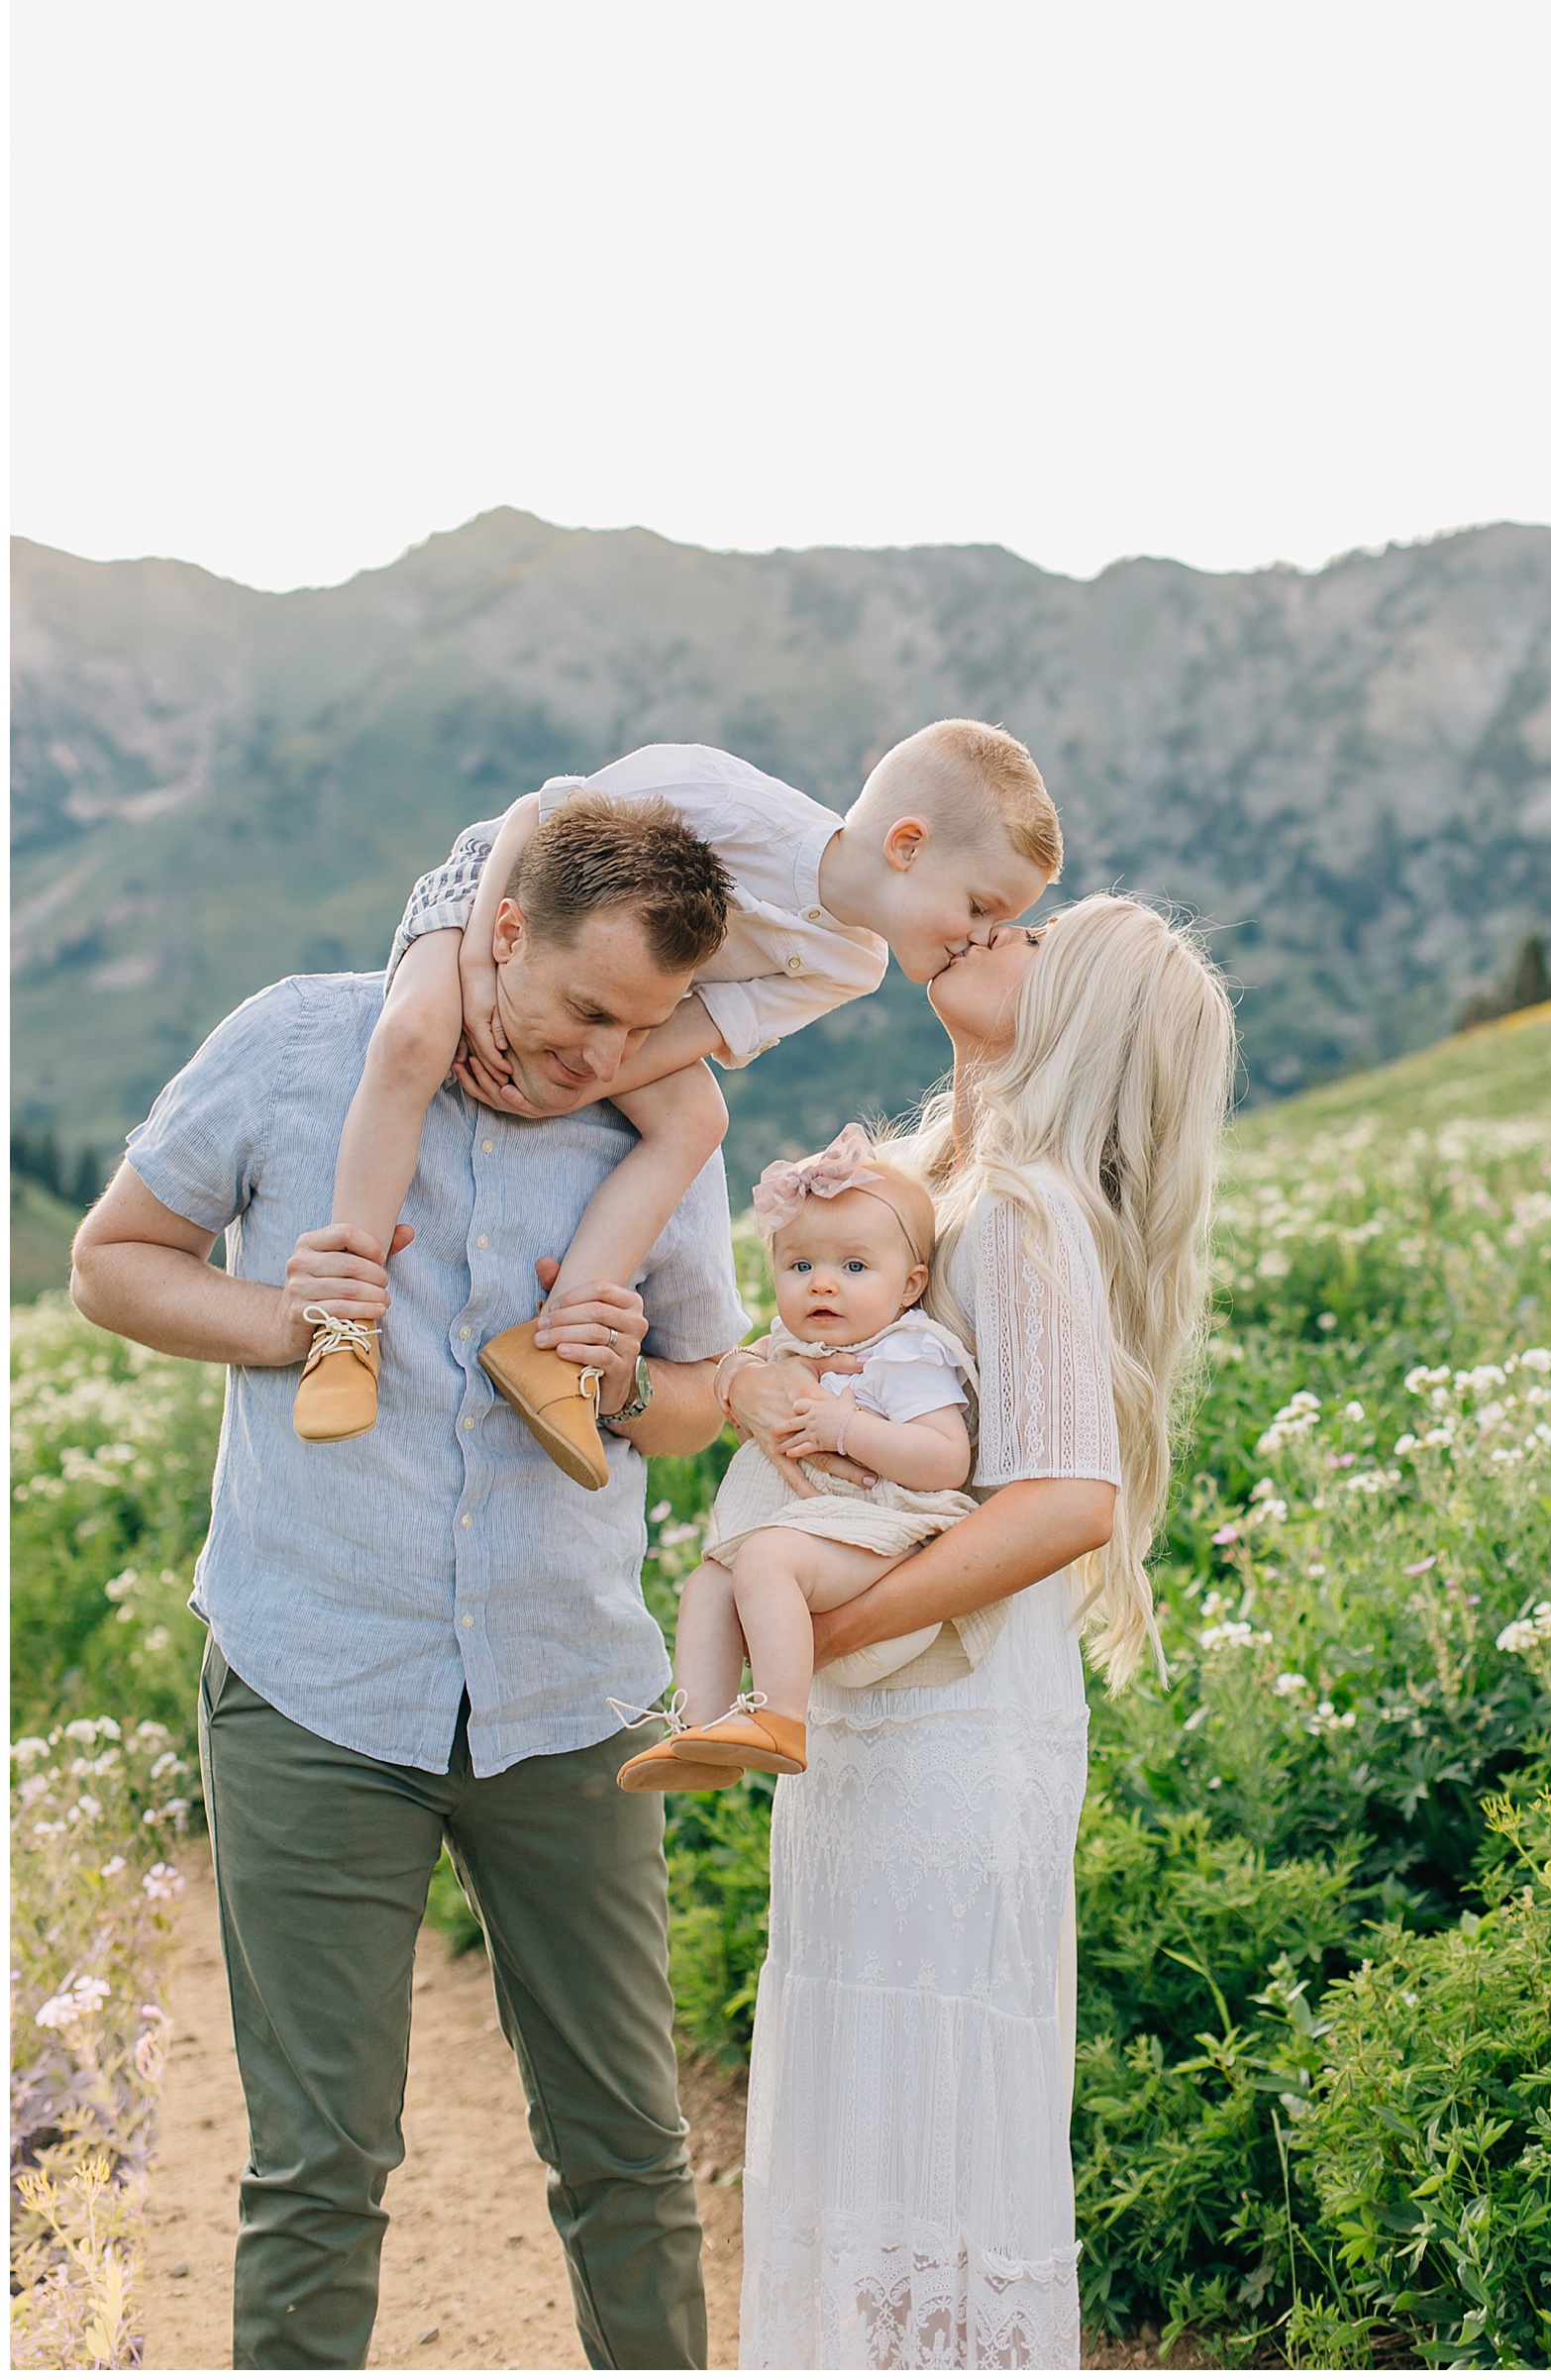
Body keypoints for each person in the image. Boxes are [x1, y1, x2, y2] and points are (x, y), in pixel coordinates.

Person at [69, 794, 750, 2373]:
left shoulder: (655, 1114)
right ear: (501, 930)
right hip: (312, 1677)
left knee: (631, 2151)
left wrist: (631, 1375)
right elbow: (113, 1260)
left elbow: (705, 1395)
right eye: (586, 1007)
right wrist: (281, 1315)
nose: (604, 1054)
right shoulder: (304, 1046)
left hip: (569, 1691)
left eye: (644, 1024)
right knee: (318, 2169)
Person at [722, 894, 1237, 2369]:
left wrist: (825, 1634)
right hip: (913, 1719)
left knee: (913, 2111)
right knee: (887, 2102)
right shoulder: (945, 1196)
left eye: (1035, 934)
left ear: (1070, 1013)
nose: (988, 927)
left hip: (948, 1726)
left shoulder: (1014, 1211)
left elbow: (1066, 1500)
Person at [296, 728, 1063, 1479]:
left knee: (699, 1119)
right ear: (907, 847)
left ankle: (557, 1349)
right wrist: (470, 964)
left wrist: (563, 1087)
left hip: (628, 998)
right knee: (413, 1036)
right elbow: (538, 817)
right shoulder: (725, 799)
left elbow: (687, 1031)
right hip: (511, 895)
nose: (985, 938)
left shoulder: (852, 965)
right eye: (980, 906)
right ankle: (344, 1323)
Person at [613, 1123, 985, 1795]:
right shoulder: (786, 1348)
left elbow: (943, 1461)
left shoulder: (905, 1353)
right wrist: (737, 1376)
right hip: (820, 1532)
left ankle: (780, 1717)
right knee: (708, 1583)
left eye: (854, 1267)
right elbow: (732, 1371)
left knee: (760, 1558)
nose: (822, 1286)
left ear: (910, 1286)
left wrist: (847, 1427)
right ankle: (701, 1731)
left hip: (887, 1532)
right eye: (800, 1266)